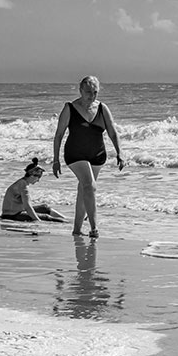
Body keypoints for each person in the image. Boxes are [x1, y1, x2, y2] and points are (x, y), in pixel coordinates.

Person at [52, 76, 124, 237]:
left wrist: (120, 152)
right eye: (88, 92)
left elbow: (112, 131)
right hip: (75, 154)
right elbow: (58, 135)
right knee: (90, 186)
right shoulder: (69, 108)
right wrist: (56, 160)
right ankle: (94, 228)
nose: (92, 96)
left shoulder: (102, 108)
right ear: (80, 91)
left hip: (97, 154)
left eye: (95, 92)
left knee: (85, 190)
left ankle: (77, 230)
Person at [1, 158, 67, 222]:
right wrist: (38, 220)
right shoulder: (23, 186)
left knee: (45, 208)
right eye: (38, 177)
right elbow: (28, 207)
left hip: (16, 211)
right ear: (32, 175)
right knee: (46, 217)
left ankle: (67, 219)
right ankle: (65, 223)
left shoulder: (22, 182)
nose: (38, 180)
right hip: (12, 215)